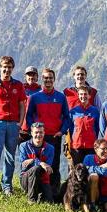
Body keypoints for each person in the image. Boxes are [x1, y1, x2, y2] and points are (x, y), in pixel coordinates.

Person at [0, 55, 27, 195]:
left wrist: (20, 123)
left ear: (12, 69)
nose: (6, 70)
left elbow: (22, 106)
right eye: (4, 67)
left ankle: (7, 185)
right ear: (0, 68)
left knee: (10, 156)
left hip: (13, 124)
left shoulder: (18, 85)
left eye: (9, 67)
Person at [24, 67, 70, 199]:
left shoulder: (61, 97)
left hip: (54, 136)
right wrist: (33, 130)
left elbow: (66, 117)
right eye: (45, 78)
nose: (48, 80)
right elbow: (29, 116)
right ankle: (35, 190)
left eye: (50, 78)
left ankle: (53, 194)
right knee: (38, 163)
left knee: (54, 165)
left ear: (54, 80)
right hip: (39, 137)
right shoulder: (34, 97)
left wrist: (61, 131)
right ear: (42, 79)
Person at [17, 122, 54, 204]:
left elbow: (48, 169)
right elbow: (24, 165)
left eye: (41, 132)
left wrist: (33, 161)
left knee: (49, 201)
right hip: (25, 179)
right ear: (31, 133)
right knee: (36, 168)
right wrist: (40, 163)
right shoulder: (23, 146)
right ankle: (31, 199)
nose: (38, 135)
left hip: (43, 179)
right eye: (36, 132)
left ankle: (39, 195)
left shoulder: (50, 148)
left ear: (44, 133)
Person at [84, 138, 107, 212]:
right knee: (94, 176)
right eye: (103, 149)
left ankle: (102, 208)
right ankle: (93, 205)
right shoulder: (88, 158)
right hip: (92, 191)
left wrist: (91, 168)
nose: (106, 151)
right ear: (96, 149)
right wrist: (100, 167)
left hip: (106, 192)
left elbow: (105, 172)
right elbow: (84, 171)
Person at [67, 85, 100, 165]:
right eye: (81, 94)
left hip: (91, 146)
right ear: (78, 95)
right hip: (77, 147)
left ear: (89, 96)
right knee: (77, 172)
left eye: (85, 94)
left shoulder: (95, 111)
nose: (83, 96)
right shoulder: (73, 112)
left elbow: (98, 128)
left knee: (90, 171)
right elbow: (70, 130)